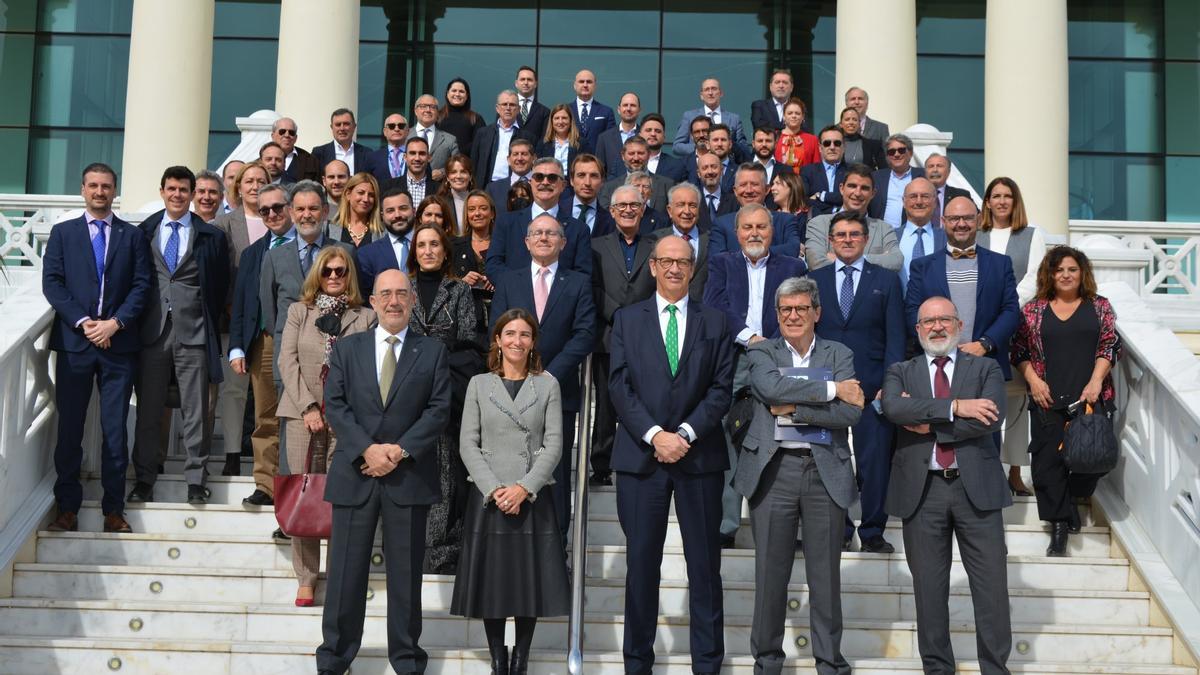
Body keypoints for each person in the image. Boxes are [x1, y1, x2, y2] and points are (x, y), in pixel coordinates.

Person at [609, 234, 734, 675]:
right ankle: (637, 663)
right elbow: (618, 386)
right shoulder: (627, 319)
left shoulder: (717, 321)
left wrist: (682, 432)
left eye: (684, 262)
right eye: (667, 261)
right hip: (641, 461)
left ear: (693, 267)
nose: (675, 269)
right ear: (653, 267)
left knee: (705, 569)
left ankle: (707, 664)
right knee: (642, 566)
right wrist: (653, 435)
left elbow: (721, 390)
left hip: (699, 459)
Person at [316, 269, 451, 675]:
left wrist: (399, 450)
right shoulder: (347, 348)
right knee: (344, 577)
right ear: (372, 302)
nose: (394, 301)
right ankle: (335, 658)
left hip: (407, 476)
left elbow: (438, 408)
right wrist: (368, 450)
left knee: (406, 578)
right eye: (385, 294)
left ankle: (407, 660)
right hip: (355, 473)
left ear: (413, 301)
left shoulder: (431, 352)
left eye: (401, 294)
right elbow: (336, 405)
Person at [735, 276, 863, 675]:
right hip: (775, 471)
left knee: (825, 577)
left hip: (824, 471)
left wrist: (795, 409)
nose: (793, 316)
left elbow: (852, 411)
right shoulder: (762, 351)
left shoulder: (838, 352)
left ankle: (829, 662)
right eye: (785, 309)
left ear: (816, 312)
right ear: (776, 314)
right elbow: (770, 389)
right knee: (771, 575)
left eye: (801, 309)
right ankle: (767, 661)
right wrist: (829, 391)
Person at [881, 296, 1012, 675]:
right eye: (928, 322)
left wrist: (927, 419)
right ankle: (938, 669)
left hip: (978, 491)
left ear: (958, 325)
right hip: (922, 491)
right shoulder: (900, 372)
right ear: (918, 329)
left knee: (990, 589)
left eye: (944, 320)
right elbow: (894, 408)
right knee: (929, 591)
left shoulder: (985, 368)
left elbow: (989, 418)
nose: (936, 327)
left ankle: (994, 668)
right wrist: (956, 407)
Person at [452, 308, 571, 675]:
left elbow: (554, 445)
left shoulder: (548, 385)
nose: (516, 341)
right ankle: (497, 658)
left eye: (524, 335)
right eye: (510, 334)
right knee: (493, 581)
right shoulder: (479, 384)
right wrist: (495, 489)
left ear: (533, 342)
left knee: (527, 582)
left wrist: (524, 488)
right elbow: (467, 444)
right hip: (489, 497)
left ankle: (521, 657)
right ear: (497, 341)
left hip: (531, 496)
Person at [43, 162, 152, 534]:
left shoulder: (132, 236)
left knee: (115, 430)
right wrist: (84, 322)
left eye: (106, 186)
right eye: (93, 185)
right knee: (70, 429)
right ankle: (67, 509)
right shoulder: (62, 234)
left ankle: (113, 510)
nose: (100, 192)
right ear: (83, 189)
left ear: (114, 190)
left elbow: (142, 286)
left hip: (118, 346)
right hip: (76, 344)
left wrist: (114, 323)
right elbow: (53, 284)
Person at [488, 214, 597, 547]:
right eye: (538, 233)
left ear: (564, 243)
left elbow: (585, 333)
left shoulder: (577, 283)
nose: (545, 238)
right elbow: (498, 331)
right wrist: (518, 374)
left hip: (558, 391)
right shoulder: (509, 281)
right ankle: (513, 545)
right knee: (512, 465)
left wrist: (549, 375)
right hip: (512, 393)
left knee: (556, 474)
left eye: (552, 233)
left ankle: (556, 547)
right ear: (526, 242)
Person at [703, 204, 807, 548]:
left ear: (772, 230)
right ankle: (726, 526)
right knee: (730, 439)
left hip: (779, 359)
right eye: (747, 227)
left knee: (783, 437)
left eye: (761, 226)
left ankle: (783, 528)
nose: (754, 233)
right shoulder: (721, 264)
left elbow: (797, 311)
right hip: (733, 358)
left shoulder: (792, 267)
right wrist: (751, 337)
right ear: (737, 233)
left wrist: (771, 345)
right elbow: (715, 306)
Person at [276, 246, 375, 606]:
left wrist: (341, 413)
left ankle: (339, 574)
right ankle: (306, 577)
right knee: (305, 493)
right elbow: (287, 362)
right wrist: (308, 407)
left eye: (341, 271)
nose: (334, 277)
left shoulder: (364, 317)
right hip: (302, 414)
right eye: (328, 271)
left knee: (340, 497)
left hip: (346, 420)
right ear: (318, 273)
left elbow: (367, 369)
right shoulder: (299, 312)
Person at [130, 166, 230, 506]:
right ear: (162, 191)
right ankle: (144, 478)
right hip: (152, 332)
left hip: (195, 332)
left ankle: (196, 479)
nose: (177, 194)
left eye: (183, 189)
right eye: (171, 188)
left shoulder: (210, 236)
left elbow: (218, 285)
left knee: (197, 410)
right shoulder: (144, 232)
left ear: (191, 194)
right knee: (149, 409)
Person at [1011, 246, 1119, 556]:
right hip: (1047, 397)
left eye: (1072, 269)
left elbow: (1110, 345)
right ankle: (1058, 528)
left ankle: (1072, 497)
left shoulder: (1099, 306)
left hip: (1089, 396)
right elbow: (1019, 350)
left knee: (1093, 460)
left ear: (1082, 273)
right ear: (1050, 274)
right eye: (1059, 270)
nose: (1066, 275)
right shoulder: (1033, 310)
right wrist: (1033, 379)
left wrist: (1096, 381)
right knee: (1046, 467)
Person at [811, 212, 906, 552]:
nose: (848, 239)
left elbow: (897, 336)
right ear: (831, 241)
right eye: (840, 234)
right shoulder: (814, 279)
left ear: (866, 239)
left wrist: (890, 383)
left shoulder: (887, 280)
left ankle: (872, 531)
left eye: (854, 234)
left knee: (874, 461)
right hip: (826, 389)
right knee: (829, 461)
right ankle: (838, 529)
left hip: (872, 387)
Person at [406, 222, 482, 574]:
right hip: (406, 395)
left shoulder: (458, 291)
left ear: (445, 250)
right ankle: (410, 547)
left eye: (434, 244)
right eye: (421, 245)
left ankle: (444, 550)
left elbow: (467, 340)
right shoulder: (402, 289)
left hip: (447, 393)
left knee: (448, 472)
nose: (428, 251)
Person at [978, 176, 1047, 496]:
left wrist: (1006, 306)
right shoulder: (975, 234)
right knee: (983, 399)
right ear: (988, 201)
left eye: (1008, 196)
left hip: (1016, 327)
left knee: (1016, 402)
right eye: (996, 196)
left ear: (1015, 201)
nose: (1002, 201)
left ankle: (1016, 473)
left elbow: (1035, 277)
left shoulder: (1032, 236)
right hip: (980, 329)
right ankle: (986, 468)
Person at [228, 184, 294, 511]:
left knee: (298, 417)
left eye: (278, 208)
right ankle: (265, 484)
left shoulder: (312, 245)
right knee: (265, 415)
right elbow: (241, 303)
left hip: (303, 342)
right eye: (264, 210)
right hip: (265, 341)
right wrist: (237, 347)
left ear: (291, 207)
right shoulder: (254, 253)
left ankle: (294, 483)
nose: (271, 215)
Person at [905, 196, 1021, 383]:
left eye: (967, 218)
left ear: (979, 219)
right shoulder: (922, 266)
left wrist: (985, 344)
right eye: (954, 219)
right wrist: (940, 346)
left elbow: (1011, 311)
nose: (961, 224)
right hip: (937, 365)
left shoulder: (1001, 264)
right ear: (943, 222)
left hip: (986, 362)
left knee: (986, 413)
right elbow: (912, 311)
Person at [589, 186, 657, 487]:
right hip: (608, 334)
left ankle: (640, 455)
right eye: (622, 205)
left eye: (635, 205)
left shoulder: (656, 246)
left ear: (643, 210)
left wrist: (638, 318)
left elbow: (661, 288)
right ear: (612, 211)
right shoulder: (596, 246)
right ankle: (601, 463)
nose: (628, 210)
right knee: (606, 403)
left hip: (646, 336)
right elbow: (592, 288)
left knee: (643, 400)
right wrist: (619, 314)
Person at [260, 181, 355, 380]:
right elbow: (270, 314)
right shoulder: (273, 257)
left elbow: (354, 299)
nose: (306, 215)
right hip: (289, 357)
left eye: (313, 208)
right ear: (291, 212)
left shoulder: (346, 252)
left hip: (334, 356)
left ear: (326, 211)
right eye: (300, 209)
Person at [212, 161, 271, 475]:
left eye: (261, 180)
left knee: (266, 394)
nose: (254, 185)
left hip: (269, 325)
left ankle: (265, 458)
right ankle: (233, 453)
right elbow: (219, 275)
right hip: (233, 321)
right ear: (238, 186)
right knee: (235, 391)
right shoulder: (224, 224)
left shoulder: (278, 221)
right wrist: (230, 307)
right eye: (249, 180)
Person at [486, 157, 592, 278]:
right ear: (531, 183)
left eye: (552, 178)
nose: (545, 182)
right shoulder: (506, 223)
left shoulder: (579, 229)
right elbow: (493, 266)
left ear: (563, 185)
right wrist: (519, 288)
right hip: (514, 295)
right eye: (539, 177)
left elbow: (582, 275)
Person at [804, 164, 902, 273]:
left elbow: (896, 261)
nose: (857, 193)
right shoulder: (819, 224)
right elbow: (816, 263)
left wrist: (856, 259)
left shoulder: (884, 228)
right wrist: (878, 258)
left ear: (873, 193)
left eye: (864, 188)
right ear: (841, 188)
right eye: (852, 186)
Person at [708, 163, 802, 258]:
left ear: (766, 189)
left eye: (755, 184)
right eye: (743, 185)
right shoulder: (721, 224)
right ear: (735, 191)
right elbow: (717, 259)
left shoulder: (785, 221)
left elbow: (793, 249)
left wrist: (754, 252)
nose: (749, 190)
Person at [356, 187, 416, 308]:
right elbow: (365, 300)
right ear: (382, 216)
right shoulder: (367, 254)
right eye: (390, 211)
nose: (397, 215)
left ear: (414, 211)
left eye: (403, 208)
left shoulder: (430, 246)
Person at [655, 182, 712, 298]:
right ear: (670, 211)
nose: (687, 211)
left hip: (702, 311)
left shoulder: (712, 239)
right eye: (681, 205)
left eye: (692, 205)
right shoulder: (655, 240)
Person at [451, 190, 496, 336]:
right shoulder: (454, 246)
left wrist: (498, 280)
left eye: (483, 208)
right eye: (471, 209)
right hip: (465, 319)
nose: (477, 213)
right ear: (467, 215)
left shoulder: (504, 244)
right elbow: (445, 285)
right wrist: (462, 282)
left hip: (499, 315)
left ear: (492, 213)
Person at [672, 78, 749, 157]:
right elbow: (677, 146)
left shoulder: (734, 119)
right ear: (701, 95)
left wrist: (727, 145)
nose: (710, 93)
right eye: (707, 89)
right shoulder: (689, 116)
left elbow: (744, 149)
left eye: (714, 89)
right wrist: (700, 148)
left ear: (721, 93)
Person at [472, 90, 532, 189]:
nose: (508, 108)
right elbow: (474, 162)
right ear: (497, 108)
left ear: (518, 109)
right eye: (504, 104)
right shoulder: (483, 133)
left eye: (512, 105)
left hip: (516, 186)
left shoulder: (527, 137)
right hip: (486, 187)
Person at [598, 136, 673, 214]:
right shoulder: (608, 188)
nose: (636, 158)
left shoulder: (667, 185)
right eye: (631, 153)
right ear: (623, 156)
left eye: (640, 153)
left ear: (649, 155)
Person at [895, 178, 946, 289]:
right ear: (904, 202)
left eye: (925, 196)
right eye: (913, 196)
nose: (919, 202)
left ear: (934, 202)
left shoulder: (946, 238)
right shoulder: (889, 237)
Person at [868, 133, 925, 227]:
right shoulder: (875, 177)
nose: (897, 154)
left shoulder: (923, 176)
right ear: (887, 157)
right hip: (881, 234)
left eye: (901, 150)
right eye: (891, 152)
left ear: (910, 153)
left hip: (913, 232)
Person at [561, 153, 614, 237]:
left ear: (602, 182)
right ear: (571, 180)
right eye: (581, 175)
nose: (587, 183)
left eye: (594, 176)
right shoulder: (557, 211)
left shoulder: (610, 220)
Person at [311, 108, 374, 177]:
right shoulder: (319, 153)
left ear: (354, 127)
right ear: (332, 127)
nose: (342, 128)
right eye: (338, 125)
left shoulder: (367, 154)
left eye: (346, 124)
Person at [801, 125, 848, 216]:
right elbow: (805, 200)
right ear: (820, 147)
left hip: (846, 221)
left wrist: (821, 195)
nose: (832, 147)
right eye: (827, 143)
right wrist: (837, 202)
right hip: (817, 221)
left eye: (837, 143)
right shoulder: (807, 171)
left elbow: (851, 198)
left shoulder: (852, 171)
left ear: (844, 147)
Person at [409, 94, 458, 181]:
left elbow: (457, 165)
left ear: (437, 113)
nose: (428, 110)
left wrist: (443, 173)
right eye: (423, 106)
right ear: (415, 111)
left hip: (438, 190)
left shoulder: (450, 139)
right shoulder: (405, 135)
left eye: (432, 107)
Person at [593, 92, 640, 179]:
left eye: (633, 105)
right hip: (612, 190)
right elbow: (599, 171)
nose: (628, 108)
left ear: (639, 110)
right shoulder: (604, 138)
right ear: (619, 109)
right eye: (625, 105)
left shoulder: (644, 136)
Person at [331, 172, 382, 248]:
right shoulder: (329, 229)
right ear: (348, 194)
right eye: (361, 193)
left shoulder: (382, 233)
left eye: (371, 195)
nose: (366, 199)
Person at [569, 69, 614, 152]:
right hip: (571, 162)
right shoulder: (566, 111)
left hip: (596, 161)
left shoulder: (606, 112)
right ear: (575, 85)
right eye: (581, 81)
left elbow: (610, 142)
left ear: (595, 86)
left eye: (589, 82)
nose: (585, 85)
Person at [438, 78, 485, 158]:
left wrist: (457, 154)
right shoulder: (437, 117)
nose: (457, 94)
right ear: (447, 94)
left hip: (465, 167)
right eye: (454, 90)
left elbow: (480, 144)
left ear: (467, 96)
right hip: (439, 167)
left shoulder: (476, 119)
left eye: (461, 91)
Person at [484, 139, 535, 213]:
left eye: (524, 154)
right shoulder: (493, 189)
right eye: (515, 154)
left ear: (534, 158)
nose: (519, 158)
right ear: (508, 160)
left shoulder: (542, 185)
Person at [637, 112, 688, 184]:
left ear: (664, 137)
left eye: (658, 131)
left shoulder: (677, 166)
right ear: (640, 136)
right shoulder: (626, 162)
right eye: (648, 130)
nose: (653, 134)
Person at [535, 103, 585, 176]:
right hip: (549, 183)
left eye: (564, 118)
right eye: (557, 118)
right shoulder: (543, 143)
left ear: (570, 121)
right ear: (552, 121)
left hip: (573, 185)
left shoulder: (581, 143)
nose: (560, 122)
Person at [774, 97, 819, 172]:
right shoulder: (774, 136)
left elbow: (817, 168)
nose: (794, 116)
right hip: (779, 181)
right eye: (790, 113)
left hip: (803, 182)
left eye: (797, 113)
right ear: (784, 116)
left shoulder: (812, 140)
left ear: (803, 117)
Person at [924, 153, 970, 224]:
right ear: (925, 172)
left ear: (948, 172)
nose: (935, 170)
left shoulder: (961, 195)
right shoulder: (915, 196)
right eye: (931, 166)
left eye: (939, 166)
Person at [435, 154, 476, 231]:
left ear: (470, 176)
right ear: (447, 177)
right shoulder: (439, 202)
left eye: (463, 172)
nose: (458, 176)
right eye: (453, 172)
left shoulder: (479, 200)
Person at [274, 116, 322, 183]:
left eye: (291, 132)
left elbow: (318, 188)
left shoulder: (310, 161)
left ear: (296, 138)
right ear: (272, 135)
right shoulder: (262, 161)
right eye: (282, 131)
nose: (287, 135)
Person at [395, 136, 441, 204]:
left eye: (422, 153)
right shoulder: (390, 187)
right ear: (405, 157)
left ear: (429, 158)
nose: (417, 158)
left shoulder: (440, 190)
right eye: (412, 153)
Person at [369, 112, 409, 187]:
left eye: (401, 126)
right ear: (385, 132)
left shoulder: (416, 155)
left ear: (407, 131)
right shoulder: (373, 157)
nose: (396, 129)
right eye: (391, 126)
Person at [514, 65, 550, 140]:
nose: (526, 82)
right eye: (522, 79)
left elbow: (544, 139)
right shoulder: (505, 108)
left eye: (529, 80)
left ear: (536, 84)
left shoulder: (544, 112)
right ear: (516, 83)